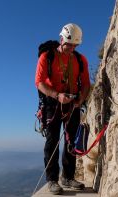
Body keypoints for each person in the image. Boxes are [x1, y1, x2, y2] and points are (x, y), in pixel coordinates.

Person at [35, 23, 91, 195]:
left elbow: (86, 83)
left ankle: (67, 176)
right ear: (61, 40)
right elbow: (40, 82)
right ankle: (52, 179)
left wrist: (80, 99)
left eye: (75, 45)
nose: (71, 48)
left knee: (71, 140)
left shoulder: (80, 60)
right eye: (69, 44)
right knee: (52, 141)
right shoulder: (47, 57)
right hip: (53, 103)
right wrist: (56, 95)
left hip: (73, 103)